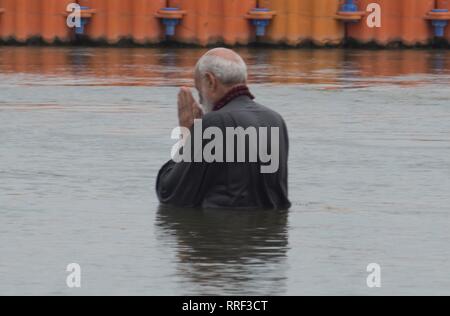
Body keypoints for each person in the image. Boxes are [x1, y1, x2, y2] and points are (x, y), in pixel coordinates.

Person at [156, 48, 291, 210]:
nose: (201, 103)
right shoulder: (275, 120)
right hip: (271, 233)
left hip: (225, 231)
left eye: (199, 93)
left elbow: (170, 194)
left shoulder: (215, 122)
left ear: (210, 81)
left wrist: (187, 134)